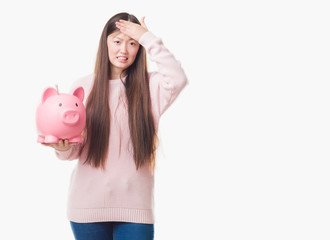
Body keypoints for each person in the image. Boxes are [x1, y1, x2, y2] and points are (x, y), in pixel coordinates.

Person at [43, 12, 187, 240]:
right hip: (87, 207)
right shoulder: (83, 86)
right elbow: (77, 148)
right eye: (117, 41)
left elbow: (178, 78)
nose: (124, 50)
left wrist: (147, 37)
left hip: (136, 209)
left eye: (132, 43)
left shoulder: (152, 87)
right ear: (105, 43)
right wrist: (63, 149)